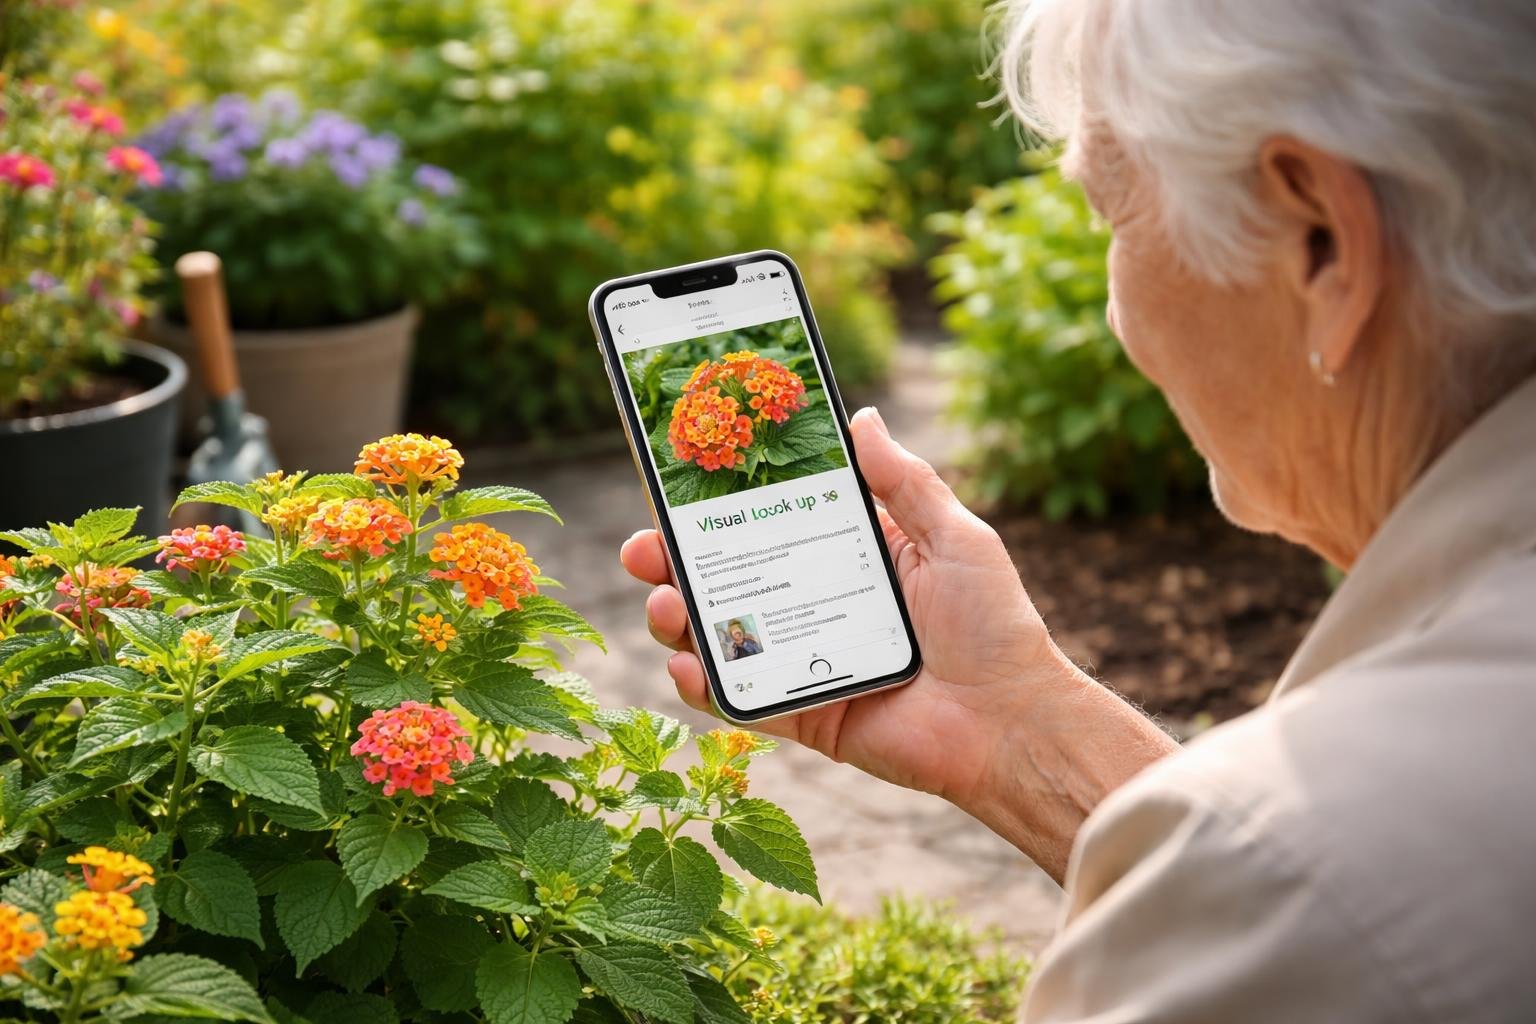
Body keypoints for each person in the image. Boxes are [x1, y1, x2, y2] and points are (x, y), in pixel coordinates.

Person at [622, 0, 1536, 1018]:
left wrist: (1230, 848)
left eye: (1114, 214)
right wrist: (1020, 725)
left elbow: (1300, 897)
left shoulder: (1300, 889)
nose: (1113, 306)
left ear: (1321, 236)